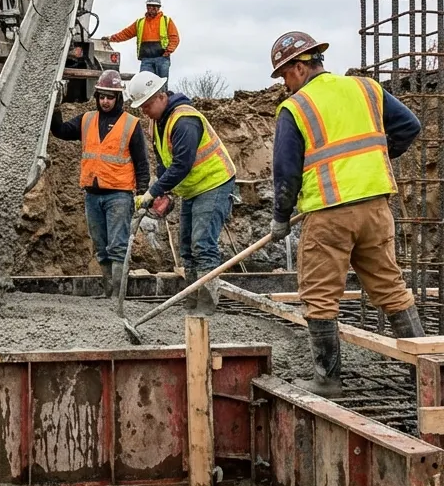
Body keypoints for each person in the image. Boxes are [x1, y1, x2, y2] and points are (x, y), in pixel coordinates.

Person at [266, 31, 424, 396]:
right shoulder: (366, 88)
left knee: (320, 294)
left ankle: (328, 380)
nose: (285, 85)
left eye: (285, 75)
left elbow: (286, 170)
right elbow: (409, 127)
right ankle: (424, 374)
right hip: (375, 207)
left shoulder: (297, 107)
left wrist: (280, 216)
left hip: (329, 213)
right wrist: (374, 160)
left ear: (300, 67)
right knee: (391, 288)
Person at [124, 69, 236, 315]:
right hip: (192, 188)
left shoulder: (185, 121)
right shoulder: (157, 122)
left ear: (161, 96)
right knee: (186, 245)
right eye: (140, 106)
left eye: (147, 104)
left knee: (202, 243)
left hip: (214, 183)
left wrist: (153, 192)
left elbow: (181, 164)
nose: (143, 111)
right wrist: (168, 192)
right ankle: (192, 297)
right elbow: (166, 162)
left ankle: (207, 303)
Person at [50, 70, 150, 297]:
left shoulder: (130, 124)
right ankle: (109, 292)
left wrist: (142, 193)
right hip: (92, 195)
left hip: (119, 195)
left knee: (117, 247)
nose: (105, 101)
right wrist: (55, 107)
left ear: (118, 98)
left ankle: (117, 296)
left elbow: (142, 162)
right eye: (102, 96)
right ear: (97, 96)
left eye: (110, 97)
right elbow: (61, 131)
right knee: (101, 247)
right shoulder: (87, 120)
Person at [108, 0, 180, 82]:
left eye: (155, 6)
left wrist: (168, 51)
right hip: (146, 60)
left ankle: (162, 96)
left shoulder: (166, 20)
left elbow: (174, 37)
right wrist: (111, 38)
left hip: (162, 58)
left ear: (159, 8)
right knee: (144, 84)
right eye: (150, 6)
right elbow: (126, 33)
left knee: (162, 85)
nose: (153, 8)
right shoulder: (140, 22)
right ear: (147, 7)